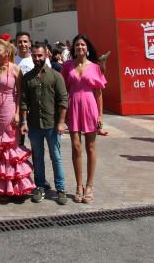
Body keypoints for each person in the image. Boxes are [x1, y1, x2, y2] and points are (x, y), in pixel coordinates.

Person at [61, 34, 107, 204]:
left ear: (87, 48)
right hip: (73, 107)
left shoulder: (95, 67)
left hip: (90, 108)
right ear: (73, 48)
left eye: (82, 45)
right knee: (76, 146)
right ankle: (78, 186)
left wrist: (100, 115)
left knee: (91, 147)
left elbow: (99, 93)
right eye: (77, 45)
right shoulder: (67, 66)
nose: (80, 47)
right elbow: (63, 90)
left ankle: (89, 186)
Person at [21, 42, 68, 206]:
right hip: (34, 125)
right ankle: (40, 186)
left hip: (52, 124)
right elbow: (24, 102)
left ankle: (61, 189)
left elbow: (63, 100)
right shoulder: (28, 78)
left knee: (56, 156)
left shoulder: (56, 76)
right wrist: (24, 122)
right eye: (34, 55)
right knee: (38, 158)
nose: (37, 58)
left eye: (40, 55)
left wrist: (61, 122)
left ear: (46, 55)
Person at [0, 39, 33, 199]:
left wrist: (18, 113)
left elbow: (20, 94)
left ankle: (11, 186)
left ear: (7, 53)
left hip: (9, 112)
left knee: (9, 147)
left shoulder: (15, 69)